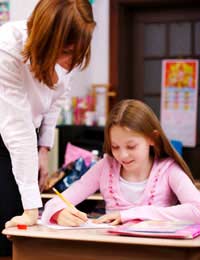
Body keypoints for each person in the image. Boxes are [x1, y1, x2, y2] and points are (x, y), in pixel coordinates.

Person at [0, 0, 95, 256]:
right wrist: (32, 208)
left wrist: (44, 149)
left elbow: (55, 102)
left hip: (28, 130)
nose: (67, 63)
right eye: (64, 53)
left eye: (74, 55)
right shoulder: (8, 47)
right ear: (46, 40)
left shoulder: (70, 54)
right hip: (7, 125)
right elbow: (16, 128)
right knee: (10, 222)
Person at [42, 99, 200, 227]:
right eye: (115, 147)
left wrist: (130, 215)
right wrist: (59, 213)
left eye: (131, 146)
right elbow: (55, 202)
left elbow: (197, 210)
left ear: (152, 138)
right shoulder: (105, 167)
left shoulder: (168, 170)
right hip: (113, 250)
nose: (122, 155)